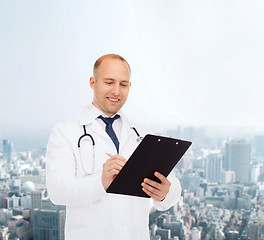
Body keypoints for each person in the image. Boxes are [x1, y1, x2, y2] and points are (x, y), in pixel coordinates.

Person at [46, 54, 181, 240]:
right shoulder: (65, 132)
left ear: (129, 87)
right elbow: (57, 191)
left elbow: (173, 185)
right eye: (109, 82)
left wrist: (165, 193)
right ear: (93, 82)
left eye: (123, 84)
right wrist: (100, 183)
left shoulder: (142, 135)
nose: (116, 91)